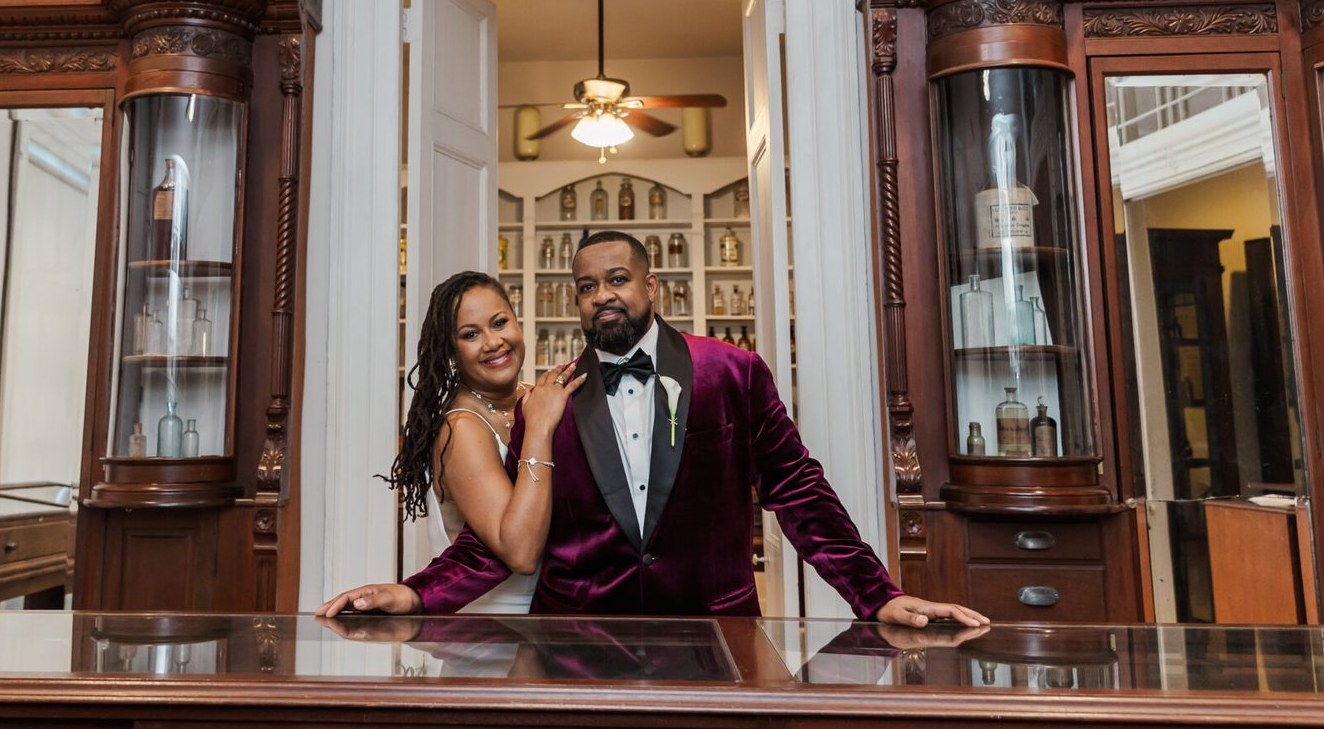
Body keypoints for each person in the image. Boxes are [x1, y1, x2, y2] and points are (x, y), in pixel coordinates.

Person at [320, 231, 984, 629]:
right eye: (586, 286)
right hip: (576, 648)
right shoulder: (546, 400)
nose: (602, 294)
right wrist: (414, 590)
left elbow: (800, 493)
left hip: (717, 637)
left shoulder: (734, 371)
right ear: (573, 300)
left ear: (653, 284)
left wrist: (878, 597)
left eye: (617, 279)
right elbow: (501, 542)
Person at [381, 270, 585, 613]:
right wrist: (537, 429)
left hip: (552, 614)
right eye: (471, 334)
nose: (493, 342)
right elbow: (520, 552)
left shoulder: (535, 399)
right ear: (451, 349)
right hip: (492, 625)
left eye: (500, 323)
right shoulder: (460, 428)